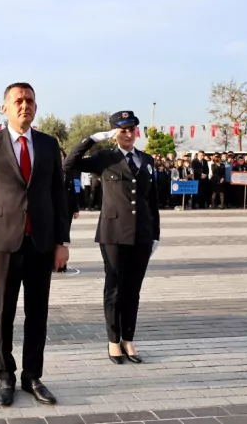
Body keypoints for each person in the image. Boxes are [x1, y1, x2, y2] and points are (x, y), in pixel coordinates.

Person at [0, 82, 70, 407]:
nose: (24, 105)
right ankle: (5, 376)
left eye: (29, 100)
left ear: (36, 107)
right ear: (5, 108)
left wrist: (62, 241)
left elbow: (59, 195)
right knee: (3, 313)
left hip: (40, 242)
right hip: (2, 242)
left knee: (37, 313)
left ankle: (32, 377)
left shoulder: (48, 145)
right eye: (18, 100)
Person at [64, 110, 160, 365]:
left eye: (132, 129)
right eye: (123, 129)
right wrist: (93, 138)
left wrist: (156, 235)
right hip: (113, 234)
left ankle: (129, 339)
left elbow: (152, 202)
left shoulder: (147, 160)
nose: (128, 134)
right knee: (115, 288)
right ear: (115, 132)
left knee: (134, 289)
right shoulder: (104, 158)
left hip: (142, 233)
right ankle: (113, 340)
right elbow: (68, 164)